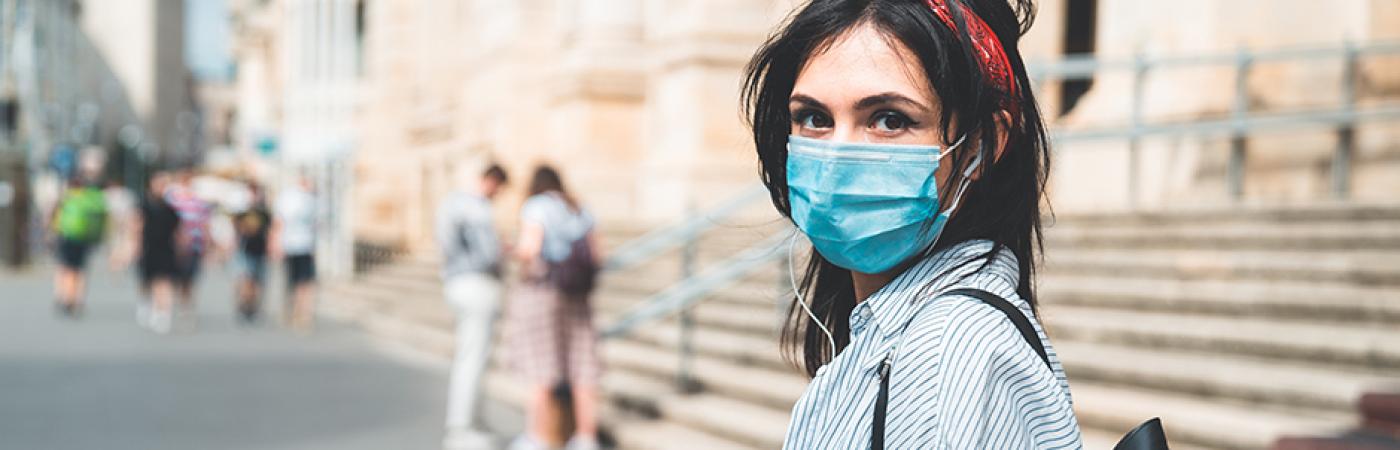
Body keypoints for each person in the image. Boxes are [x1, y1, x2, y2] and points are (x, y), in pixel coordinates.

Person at [741, 0, 1082, 448]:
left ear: (983, 144)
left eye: (889, 119)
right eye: (814, 118)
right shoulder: (896, 336)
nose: (839, 156)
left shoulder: (946, 352)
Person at [505, 165, 602, 450]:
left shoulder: (537, 206)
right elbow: (597, 254)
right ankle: (586, 437)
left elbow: (530, 249)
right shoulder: (579, 208)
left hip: (544, 292)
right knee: (582, 366)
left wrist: (511, 250)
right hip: (577, 295)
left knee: (541, 366)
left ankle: (538, 437)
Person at [437, 164, 509, 449]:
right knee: (473, 356)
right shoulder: (478, 208)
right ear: (492, 181)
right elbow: (488, 253)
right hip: (476, 282)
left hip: (455, 281)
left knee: (468, 354)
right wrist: (503, 251)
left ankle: (467, 422)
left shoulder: (451, 202)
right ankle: (463, 426)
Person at [50, 176, 107, 317]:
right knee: (80, 270)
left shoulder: (66, 199)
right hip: (84, 239)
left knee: (67, 268)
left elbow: (54, 218)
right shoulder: (91, 200)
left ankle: (66, 298)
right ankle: (78, 299)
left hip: (67, 237)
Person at [165, 170, 213, 329]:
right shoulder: (171, 202)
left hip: (194, 245)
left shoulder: (200, 203)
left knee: (190, 279)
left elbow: (205, 224)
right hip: (175, 247)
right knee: (176, 278)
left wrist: (207, 244)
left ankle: (187, 306)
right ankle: (177, 304)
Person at [270, 174, 318, 332]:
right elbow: (279, 222)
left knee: (305, 282)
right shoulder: (289, 197)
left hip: (306, 246)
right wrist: (276, 243)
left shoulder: (313, 198)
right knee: (293, 281)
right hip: (291, 245)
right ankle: (291, 310)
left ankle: (303, 314)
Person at [134, 172, 180, 333]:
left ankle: (163, 313)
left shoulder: (171, 209)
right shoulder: (144, 205)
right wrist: (134, 247)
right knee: (147, 281)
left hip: (166, 249)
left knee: (164, 282)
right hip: (148, 248)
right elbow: (136, 226)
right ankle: (146, 303)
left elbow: (179, 232)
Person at [233, 182, 272, 325]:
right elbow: (237, 231)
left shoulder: (264, 212)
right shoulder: (242, 212)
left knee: (258, 282)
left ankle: (254, 307)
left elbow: (270, 230)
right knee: (246, 280)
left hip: (260, 252)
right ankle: (244, 305)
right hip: (245, 251)